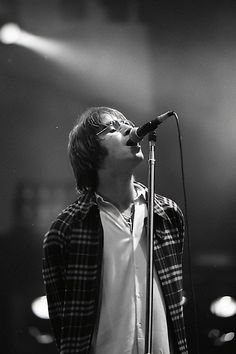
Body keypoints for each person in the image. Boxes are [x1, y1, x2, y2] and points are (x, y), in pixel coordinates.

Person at [42, 107, 188, 354]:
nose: (130, 130)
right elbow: (63, 324)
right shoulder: (67, 228)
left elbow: (175, 302)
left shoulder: (167, 214)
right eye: (112, 128)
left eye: (126, 123)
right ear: (90, 153)